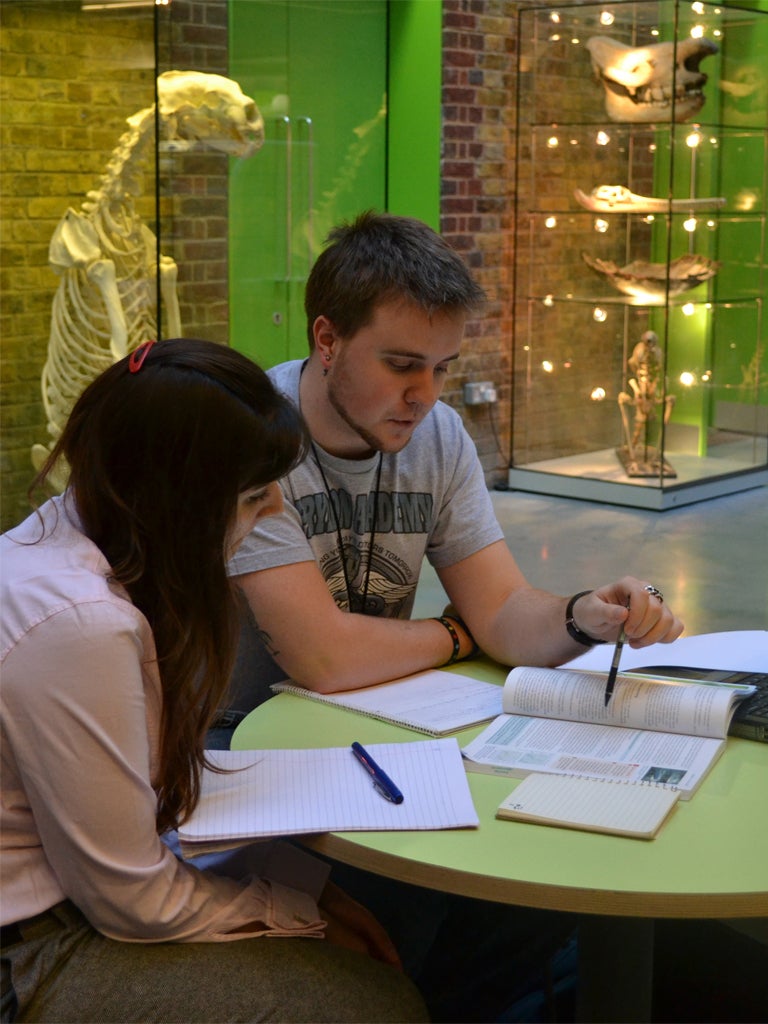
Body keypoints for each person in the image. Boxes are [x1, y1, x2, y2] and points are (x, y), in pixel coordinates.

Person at [221, 212, 684, 1021]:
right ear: (327, 340)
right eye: (402, 365)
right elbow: (322, 660)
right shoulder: (256, 437)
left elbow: (504, 607)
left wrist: (583, 615)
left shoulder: (436, 437)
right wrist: (456, 635)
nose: (426, 396)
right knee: (407, 906)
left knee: (540, 887)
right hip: (241, 751)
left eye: (441, 367)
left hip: (380, 735)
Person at [0, 338, 427, 1024]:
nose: (276, 514)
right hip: (32, 943)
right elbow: (131, 897)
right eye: (255, 495)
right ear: (179, 502)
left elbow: (139, 815)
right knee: (372, 1006)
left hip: (77, 893)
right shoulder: (80, 625)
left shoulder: (71, 536)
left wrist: (298, 890)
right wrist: (291, 912)